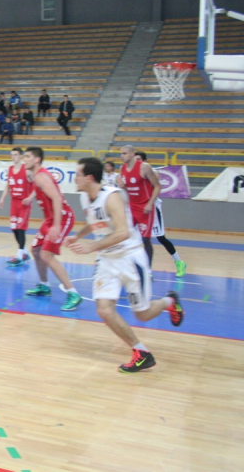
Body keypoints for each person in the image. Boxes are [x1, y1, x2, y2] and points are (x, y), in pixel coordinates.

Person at [66, 157, 184, 372]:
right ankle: (141, 352)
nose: (75, 179)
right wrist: (77, 236)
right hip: (107, 260)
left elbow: (123, 233)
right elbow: (95, 222)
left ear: (89, 177)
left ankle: (169, 301)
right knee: (104, 310)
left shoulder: (111, 197)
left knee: (143, 314)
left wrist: (91, 247)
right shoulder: (85, 197)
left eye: (78, 175)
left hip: (129, 258)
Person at [22, 147, 81, 311]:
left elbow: (56, 198)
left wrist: (56, 224)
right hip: (50, 219)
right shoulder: (37, 176)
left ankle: (73, 293)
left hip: (62, 218)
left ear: (37, 160)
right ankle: (44, 285)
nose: (24, 159)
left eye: (27, 156)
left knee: (46, 255)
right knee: (36, 250)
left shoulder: (41, 176)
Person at [133, 151, 187, 277]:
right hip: (138, 208)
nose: (136, 162)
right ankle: (146, 269)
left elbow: (154, 187)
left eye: (139, 159)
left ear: (145, 161)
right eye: (135, 159)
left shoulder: (153, 172)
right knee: (137, 238)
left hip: (152, 207)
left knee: (160, 238)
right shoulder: (132, 173)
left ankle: (179, 262)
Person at [117, 145, 160, 268]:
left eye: (124, 153)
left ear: (132, 154)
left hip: (145, 207)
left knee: (145, 239)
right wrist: (123, 187)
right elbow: (128, 189)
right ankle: (126, 265)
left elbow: (157, 186)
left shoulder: (144, 167)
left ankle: (148, 269)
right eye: (121, 153)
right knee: (124, 235)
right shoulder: (122, 168)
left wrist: (150, 203)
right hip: (131, 206)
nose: (121, 156)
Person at [0, 147, 34, 266]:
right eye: (12, 155)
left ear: (20, 156)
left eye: (15, 154)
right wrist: (2, 198)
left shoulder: (27, 170)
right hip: (14, 202)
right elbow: (8, 185)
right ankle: (24, 252)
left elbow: (36, 186)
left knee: (20, 228)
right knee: (14, 228)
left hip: (24, 203)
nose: (13, 157)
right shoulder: (10, 170)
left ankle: (19, 256)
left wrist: (30, 197)